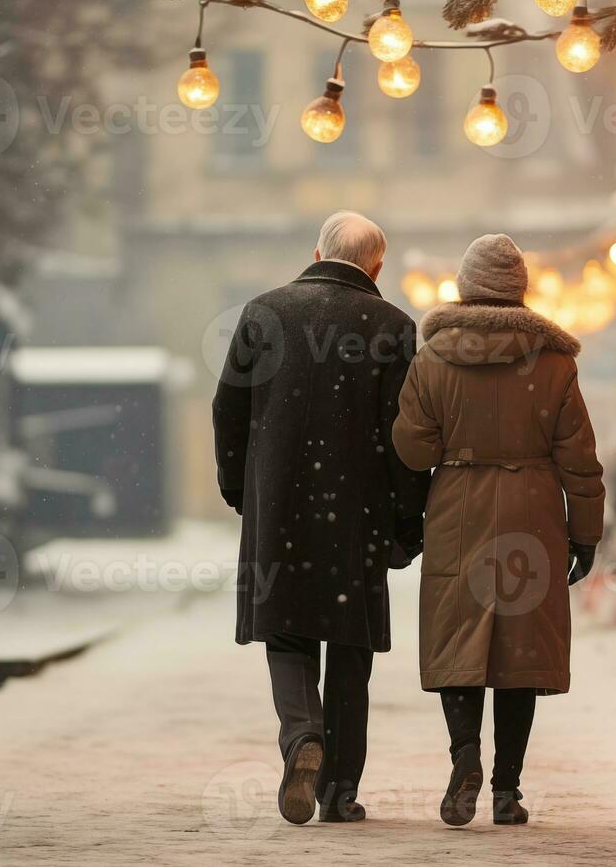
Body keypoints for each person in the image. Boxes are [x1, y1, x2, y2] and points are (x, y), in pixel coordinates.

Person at [212, 211, 430, 826]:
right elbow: (404, 438)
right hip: (357, 513)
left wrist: (241, 489)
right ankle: (339, 790)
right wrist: (406, 521)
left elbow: (227, 409)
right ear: (377, 267)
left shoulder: (264, 313)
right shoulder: (392, 327)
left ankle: (301, 735)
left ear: (316, 251)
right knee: (350, 646)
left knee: (286, 633)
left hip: (277, 503)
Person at [392, 234, 605, 828]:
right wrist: (585, 534)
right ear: (520, 289)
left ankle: (465, 757)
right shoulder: (555, 362)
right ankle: (508, 791)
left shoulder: (432, 357)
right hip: (532, 513)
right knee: (520, 651)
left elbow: (413, 450)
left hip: (457, 508)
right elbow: (581, 460)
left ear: (464, 286)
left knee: (458, 639)